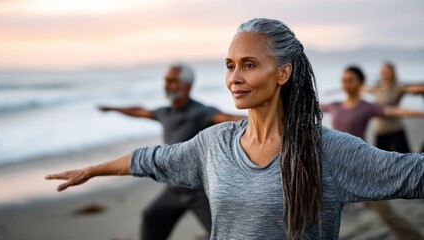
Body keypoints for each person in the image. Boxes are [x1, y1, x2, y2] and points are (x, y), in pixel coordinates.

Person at [46, 18, 424, 240]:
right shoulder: (213, 146)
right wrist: (92, 170)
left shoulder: (328, 150)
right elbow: (152, 159)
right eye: (229, 65)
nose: (234, 78)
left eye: (248, 65)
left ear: (282, 73)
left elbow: (413, 174)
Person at [98, 62, 244, 240]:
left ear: (187, 86)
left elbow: (229, 118)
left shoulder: (201, 112)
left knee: (222, 234)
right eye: (166, 80)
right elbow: (140, 111)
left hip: (201, 191)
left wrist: (265, 121)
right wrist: (113, 108)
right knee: (151, 217)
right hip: (174, 190)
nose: (166, 85)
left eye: (172, 81)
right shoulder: (164, 113)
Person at [320, 65, 424, 240]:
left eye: (351, 80)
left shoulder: (367, 106)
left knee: (390, 217)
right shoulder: (335, 105)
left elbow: (393, 111)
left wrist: (420, 114)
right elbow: (309, 106)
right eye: (344, 81)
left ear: (360, 83)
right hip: (333, 170)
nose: (346, 84)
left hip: (362, 169)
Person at [365, 62, 424, 153]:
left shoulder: (398, 87)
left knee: (405, 159)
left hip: (396, 130)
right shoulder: (376, 87)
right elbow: (361, 89)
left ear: (393, 73)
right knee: (381, 162)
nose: (385, 74)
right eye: (383, 72)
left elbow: (414, 90)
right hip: (380, 131)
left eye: (387, 72)